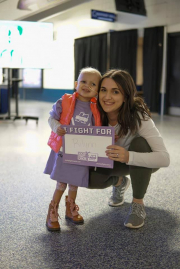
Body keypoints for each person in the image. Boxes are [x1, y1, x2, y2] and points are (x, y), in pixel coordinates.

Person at [88, 69, 170, 229]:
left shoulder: (138, 116)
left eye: (115, 92)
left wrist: (128, 156)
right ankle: (119, 182)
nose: (107, 97)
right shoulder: (93, 113)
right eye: (103, 90)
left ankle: (138, 204)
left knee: (140, 143)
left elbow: (164, 158)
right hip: (111, 162)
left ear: (125, 96)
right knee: (85, 177)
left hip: (139, 161)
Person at [44, 67, 102, 231]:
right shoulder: (65, 101)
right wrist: (57, 128)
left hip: (82, 151)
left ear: (98, 90)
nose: (87, 86)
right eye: (83, 82)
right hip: (64, 149)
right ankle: (52, 211)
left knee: (75, 181)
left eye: (93, 84)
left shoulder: (97, 108)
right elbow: (51, 118)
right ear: (76, 83)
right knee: (62, 182)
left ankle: (70, 208)